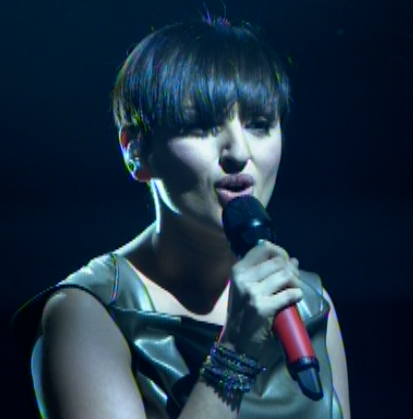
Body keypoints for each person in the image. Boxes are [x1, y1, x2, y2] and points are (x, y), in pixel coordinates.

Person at [11, 15, 350, 419]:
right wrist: (235, 351)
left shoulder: (309, 304)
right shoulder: (89, 312)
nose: (238, 152)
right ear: (135, 150)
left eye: (259, 125)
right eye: (203, 126)